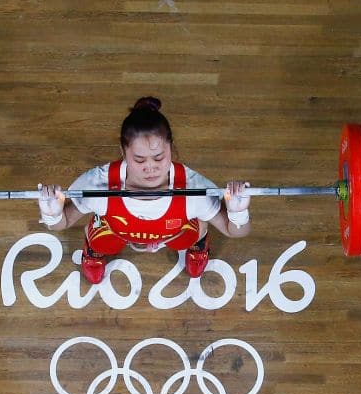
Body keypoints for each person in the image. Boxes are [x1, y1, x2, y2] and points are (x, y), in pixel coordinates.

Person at [38, 96, 251, 284]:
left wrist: (238, 211)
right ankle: (94, 251)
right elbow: (62, 224)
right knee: (101, 241)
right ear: (123, 151)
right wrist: (52, 213)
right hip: (118, 229)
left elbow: (236, 231)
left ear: (171, 147)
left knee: (190, 234)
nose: (150, 167)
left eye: (159, 157)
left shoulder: (194, 189)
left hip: (174, 231)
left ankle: (198, 244)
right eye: (139, 159)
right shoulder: (97, 185)